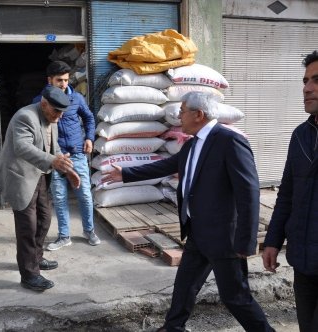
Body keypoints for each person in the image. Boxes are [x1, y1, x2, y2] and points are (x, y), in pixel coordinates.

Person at [101, 91, 274, 332]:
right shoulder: (192, 143)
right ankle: (173, 328)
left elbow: (249, 192)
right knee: (185, 286)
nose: (178, 117)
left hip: (225, 238)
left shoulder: (229, 141)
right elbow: (167, 165)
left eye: (182, 112)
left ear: (198, 115)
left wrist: (246, 241)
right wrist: (126, 174)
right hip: (197, 231)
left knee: (235, 297)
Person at [0, 86, 81, 292]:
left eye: (62, 112)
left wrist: (67, 170)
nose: (59, 117)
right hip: (20, 177)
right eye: (55, 111)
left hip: (38, 175)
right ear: (43, 104)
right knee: (27, 227)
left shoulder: (52, 119)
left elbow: (54, 147)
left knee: (44, 219)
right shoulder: (25, 117)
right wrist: (53, 161)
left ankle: (36, 258)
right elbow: (22, 147)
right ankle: (29, 274)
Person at [262, 50, 318, 332]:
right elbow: (287, 193)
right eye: (306, 80)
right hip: (304, 262)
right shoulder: (300, 135)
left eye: (317, 80)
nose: (307, 88)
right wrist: (273, 240)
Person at [33, 60, 100, 250]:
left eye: (66, 80)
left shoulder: (76, 98)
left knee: (85, 195)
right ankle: (64, 236)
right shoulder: (41, 102)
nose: (63, 85)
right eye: (59, 81)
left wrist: (89, 138)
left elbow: (88, 117)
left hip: (77, 155)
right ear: (49, 81)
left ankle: (89, 230)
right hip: (55, 159)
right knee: (60, 197)